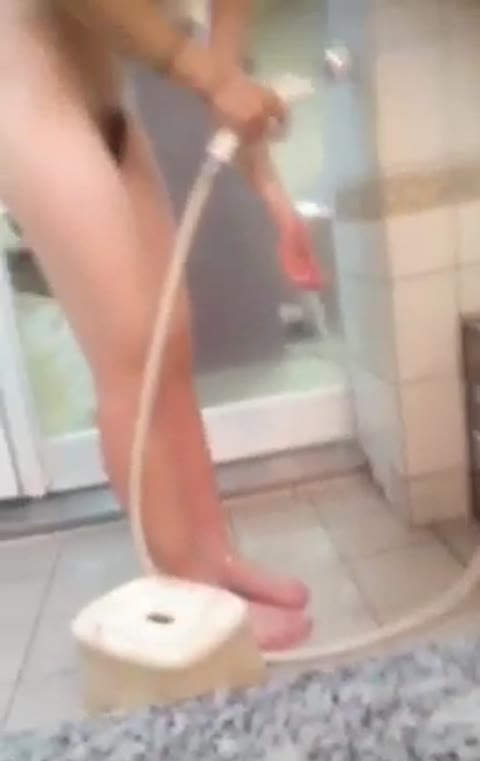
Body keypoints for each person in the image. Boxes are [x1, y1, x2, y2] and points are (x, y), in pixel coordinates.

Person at [0, 0, 315, 650]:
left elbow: (227, 77)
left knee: (172, 339)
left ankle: (216, 558)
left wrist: (272, 193)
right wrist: (211, 76)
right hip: (26, 93)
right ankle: (186, 591)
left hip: (101, 94)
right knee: (130, 353)